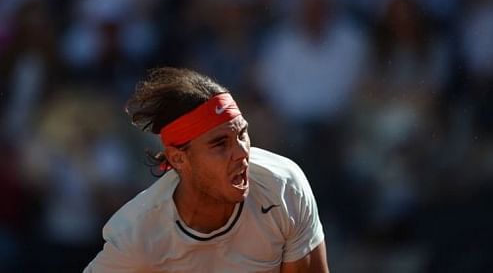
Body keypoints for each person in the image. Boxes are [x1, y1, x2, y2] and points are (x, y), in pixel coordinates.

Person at [84, 67, 330, 272]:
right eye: (220, 144)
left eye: (242, 134)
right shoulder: (136, 235)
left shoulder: (284, 187)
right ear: (179, 159)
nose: (242, 152)